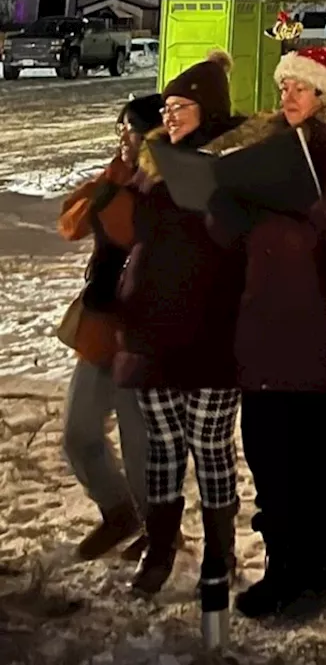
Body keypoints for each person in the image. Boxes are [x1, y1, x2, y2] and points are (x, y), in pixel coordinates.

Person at [204, 47, 326, 624]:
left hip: (319, 338)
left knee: (312, 468)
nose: (289, 96)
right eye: (285, 87)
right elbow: (229, 236)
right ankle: (282, 571)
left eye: (302, 87)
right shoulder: (263, 157)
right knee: (270, 464)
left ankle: (318, 576)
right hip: (263, 336)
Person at [103, 52, 247, 596]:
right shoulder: (154, 160)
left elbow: (236, 240)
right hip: (152, 328)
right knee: (162, 444)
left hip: (211, 330)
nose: (172, 114)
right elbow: (136, 230)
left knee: (209, 446)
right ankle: (160, 549)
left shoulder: (235, 161)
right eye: (168, 106)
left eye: (182, 105)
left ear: (206, 109)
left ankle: (219, 552)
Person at [55, 94, 162, 563]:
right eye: (121, 129)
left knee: (140, 444)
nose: (123, 138)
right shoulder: (115, 177)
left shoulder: (162, 187)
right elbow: (70, 224)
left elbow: (125, 232)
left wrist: (115, 192)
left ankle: (159, 529)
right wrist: (107, 183)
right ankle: (118, 510)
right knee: (79, 433)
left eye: (133, 130)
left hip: (140, 331)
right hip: (99, 326)